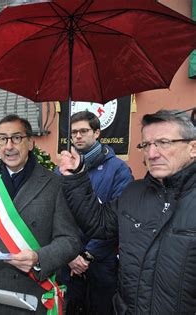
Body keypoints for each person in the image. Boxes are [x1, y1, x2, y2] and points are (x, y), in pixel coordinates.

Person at [59, 109, 196, 314]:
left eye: (164, 143)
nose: (152, 153)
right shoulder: (134, 193)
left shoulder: (118, 170)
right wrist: (77, 177)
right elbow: (100, 224)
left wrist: (88, 256)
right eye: (146, 145)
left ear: (193, 147)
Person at [0, 114, 81, 314]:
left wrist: (38, 257)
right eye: (3, 138)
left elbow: (70, 241)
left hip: (28, 295)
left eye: (16, 138)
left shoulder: (53, 184)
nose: (9, 146)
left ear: (31, 143)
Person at [56, 111, 133, 315]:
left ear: (97, 132)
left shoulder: (119, 169)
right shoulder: (62, 170)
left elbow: (118, 218)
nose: (78, 136)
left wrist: (88, 255)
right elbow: (57, 215)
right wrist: (70, 253)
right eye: (74, 133)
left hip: (101, 263)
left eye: (83, 131)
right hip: (68, 262)